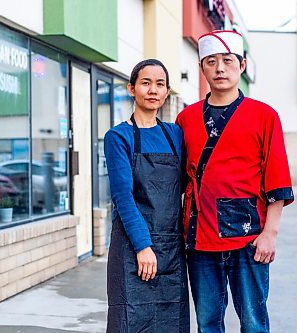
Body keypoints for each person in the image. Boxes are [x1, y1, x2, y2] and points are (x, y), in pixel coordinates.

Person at [176, 30, 294, 333]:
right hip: (199, 237)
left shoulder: (264, 116)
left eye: (227, 61)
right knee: (207, 322)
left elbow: (277, 179)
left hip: (249, 236)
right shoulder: (186, 118)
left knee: (254, 323)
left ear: (241, 66)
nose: (219, 69)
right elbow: (176, 179)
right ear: (202, 67)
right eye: (211, 61)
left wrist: (271, 234)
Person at [105, 59, 189, 332]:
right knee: (129, 321)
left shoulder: (175, 134)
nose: (153, 90)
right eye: (145, 83)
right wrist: (143, 246)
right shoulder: (119, 137)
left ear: (166, 92)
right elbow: (123, 197)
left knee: (170, 323)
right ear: (132, 89)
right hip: (132, 246)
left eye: (160, 84)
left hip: (172, 249)